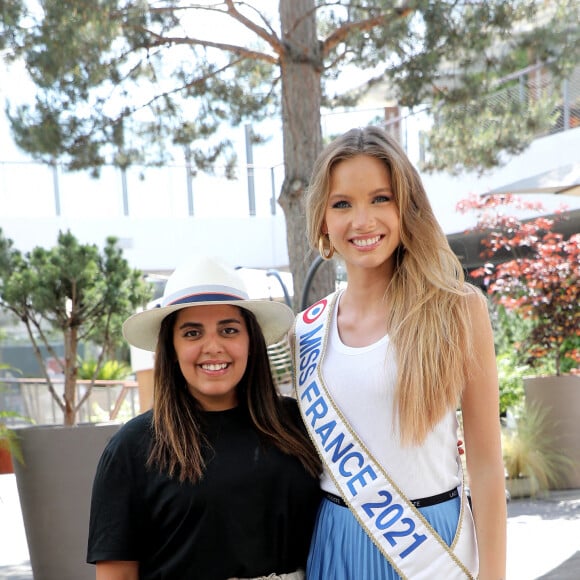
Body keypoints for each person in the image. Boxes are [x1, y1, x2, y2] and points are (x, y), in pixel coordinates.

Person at [292, 126, 506, 579]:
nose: (362, 220)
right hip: (336, 541)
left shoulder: (459, 310)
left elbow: (487, 466)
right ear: (323, 220)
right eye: (342, 203)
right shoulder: (308, 330)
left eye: (380, 198)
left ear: (405, 207)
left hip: (432, 546)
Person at [87, 257, 322, 580]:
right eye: (192, 333)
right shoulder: (132, 446)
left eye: (229, 330)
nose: (213, 347)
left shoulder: (298, 424)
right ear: (171, 348)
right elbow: (118, 574)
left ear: (251, 341)